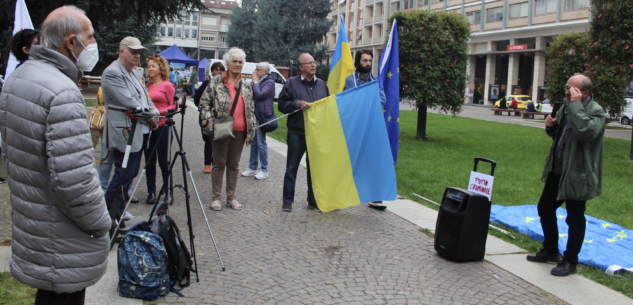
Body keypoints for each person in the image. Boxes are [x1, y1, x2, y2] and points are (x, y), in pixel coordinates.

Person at [0, 6, 110, 303]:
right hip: (61, 232)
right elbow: (75, 180)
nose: (94, 43)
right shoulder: (62, 92)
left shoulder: (21, 76)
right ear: (70, 42)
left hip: (36, 221)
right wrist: (102, 221)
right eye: (90, 37)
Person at [527, 74, 605, 277]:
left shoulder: (595, 112)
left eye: (572, 89)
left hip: (578, 174)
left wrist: (576, 106)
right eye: (566, 87)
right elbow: (561, 136)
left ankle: (570, 261)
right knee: (544, 208)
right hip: (557, 170)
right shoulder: (566, 107)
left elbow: (585, 133)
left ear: (585, 92)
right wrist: (550, 127)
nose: (567, 91)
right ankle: (551, 250)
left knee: (575, 217)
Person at [102, 36, 159, 219]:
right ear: (122, 51)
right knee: (122, 173)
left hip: (138, 130)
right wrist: (150, 117)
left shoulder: (134, 73)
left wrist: (155, 113)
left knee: (130, 172)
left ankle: (118, 208)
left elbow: (145, 98)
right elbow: (130, 103)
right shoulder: (112, 73)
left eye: (139, 52)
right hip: (125, 131)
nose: (137, 56)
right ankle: (108, 214)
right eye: (133, 52)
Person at [200, 48, 256, 211]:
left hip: (239, 130)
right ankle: (216, 197)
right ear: (227, 63)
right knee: (219, 163)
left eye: (240, 62)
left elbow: (251, 108)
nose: (238, 64)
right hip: (221, 128)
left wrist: (251, 126)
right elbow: (204, 104)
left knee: (234, 164)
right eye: (234, 61)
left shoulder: (246, 85)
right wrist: (210, 124)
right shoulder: (215, 82)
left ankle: (231, 197)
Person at [278, 53, 329, 212]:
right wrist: (297, 104)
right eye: (309, 63)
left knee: (314, 169)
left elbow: (327, 106)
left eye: (314, 62)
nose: (313, 65)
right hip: (296, 133)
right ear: (300, 67)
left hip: (316, 134)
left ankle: (313, 200)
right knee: (292, 167)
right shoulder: (291, 83)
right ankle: (287, 201)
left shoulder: (322, 84)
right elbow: (281, 105)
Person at [342, 50, 387, 210]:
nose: (368, 64)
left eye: (370, 60)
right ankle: (340, 195)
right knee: (349, 163)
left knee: (374, 163)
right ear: (357, 62)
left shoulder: (376, 80)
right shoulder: (350, 80)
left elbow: (382, 100)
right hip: (355, 129)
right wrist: (368, 101)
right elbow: (349, 101)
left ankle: (375, 197)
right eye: (364, 61)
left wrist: (364, 101)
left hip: (372, 129)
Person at [145, 55, 177, 205]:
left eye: (153, 66)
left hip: (163, 126)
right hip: (149, 126)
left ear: (161, 68)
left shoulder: (167, 86)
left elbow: (174, 106)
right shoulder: (147, 86)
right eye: (149, 66)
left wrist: (160, 113)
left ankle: (168, 192)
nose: (150, 69)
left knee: (164, 161)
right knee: (149, 160)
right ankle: (151, 191)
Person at [241, 62, 275, 180]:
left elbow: (260, 95)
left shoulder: (270, 82)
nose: (255, 72)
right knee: (254, 143)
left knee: (261, 143)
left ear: (266, 71)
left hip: (263, 116)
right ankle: (252, 167)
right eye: (255, 69)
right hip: (254, 116)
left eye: (258, 69)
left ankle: (264, 170)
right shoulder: (260, 81)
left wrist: (255, 82)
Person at [195, 61, 225, 173]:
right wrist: (204, 110)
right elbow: (197, 98)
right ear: (212, 71)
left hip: (220, 117)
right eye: (216, 69)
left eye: (221, 69)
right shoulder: (207, 83)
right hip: (207, 116)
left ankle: (216, 163)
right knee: (208, 140)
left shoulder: (224, 84)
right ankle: (207, 164)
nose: (218, 71)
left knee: (219, 140)